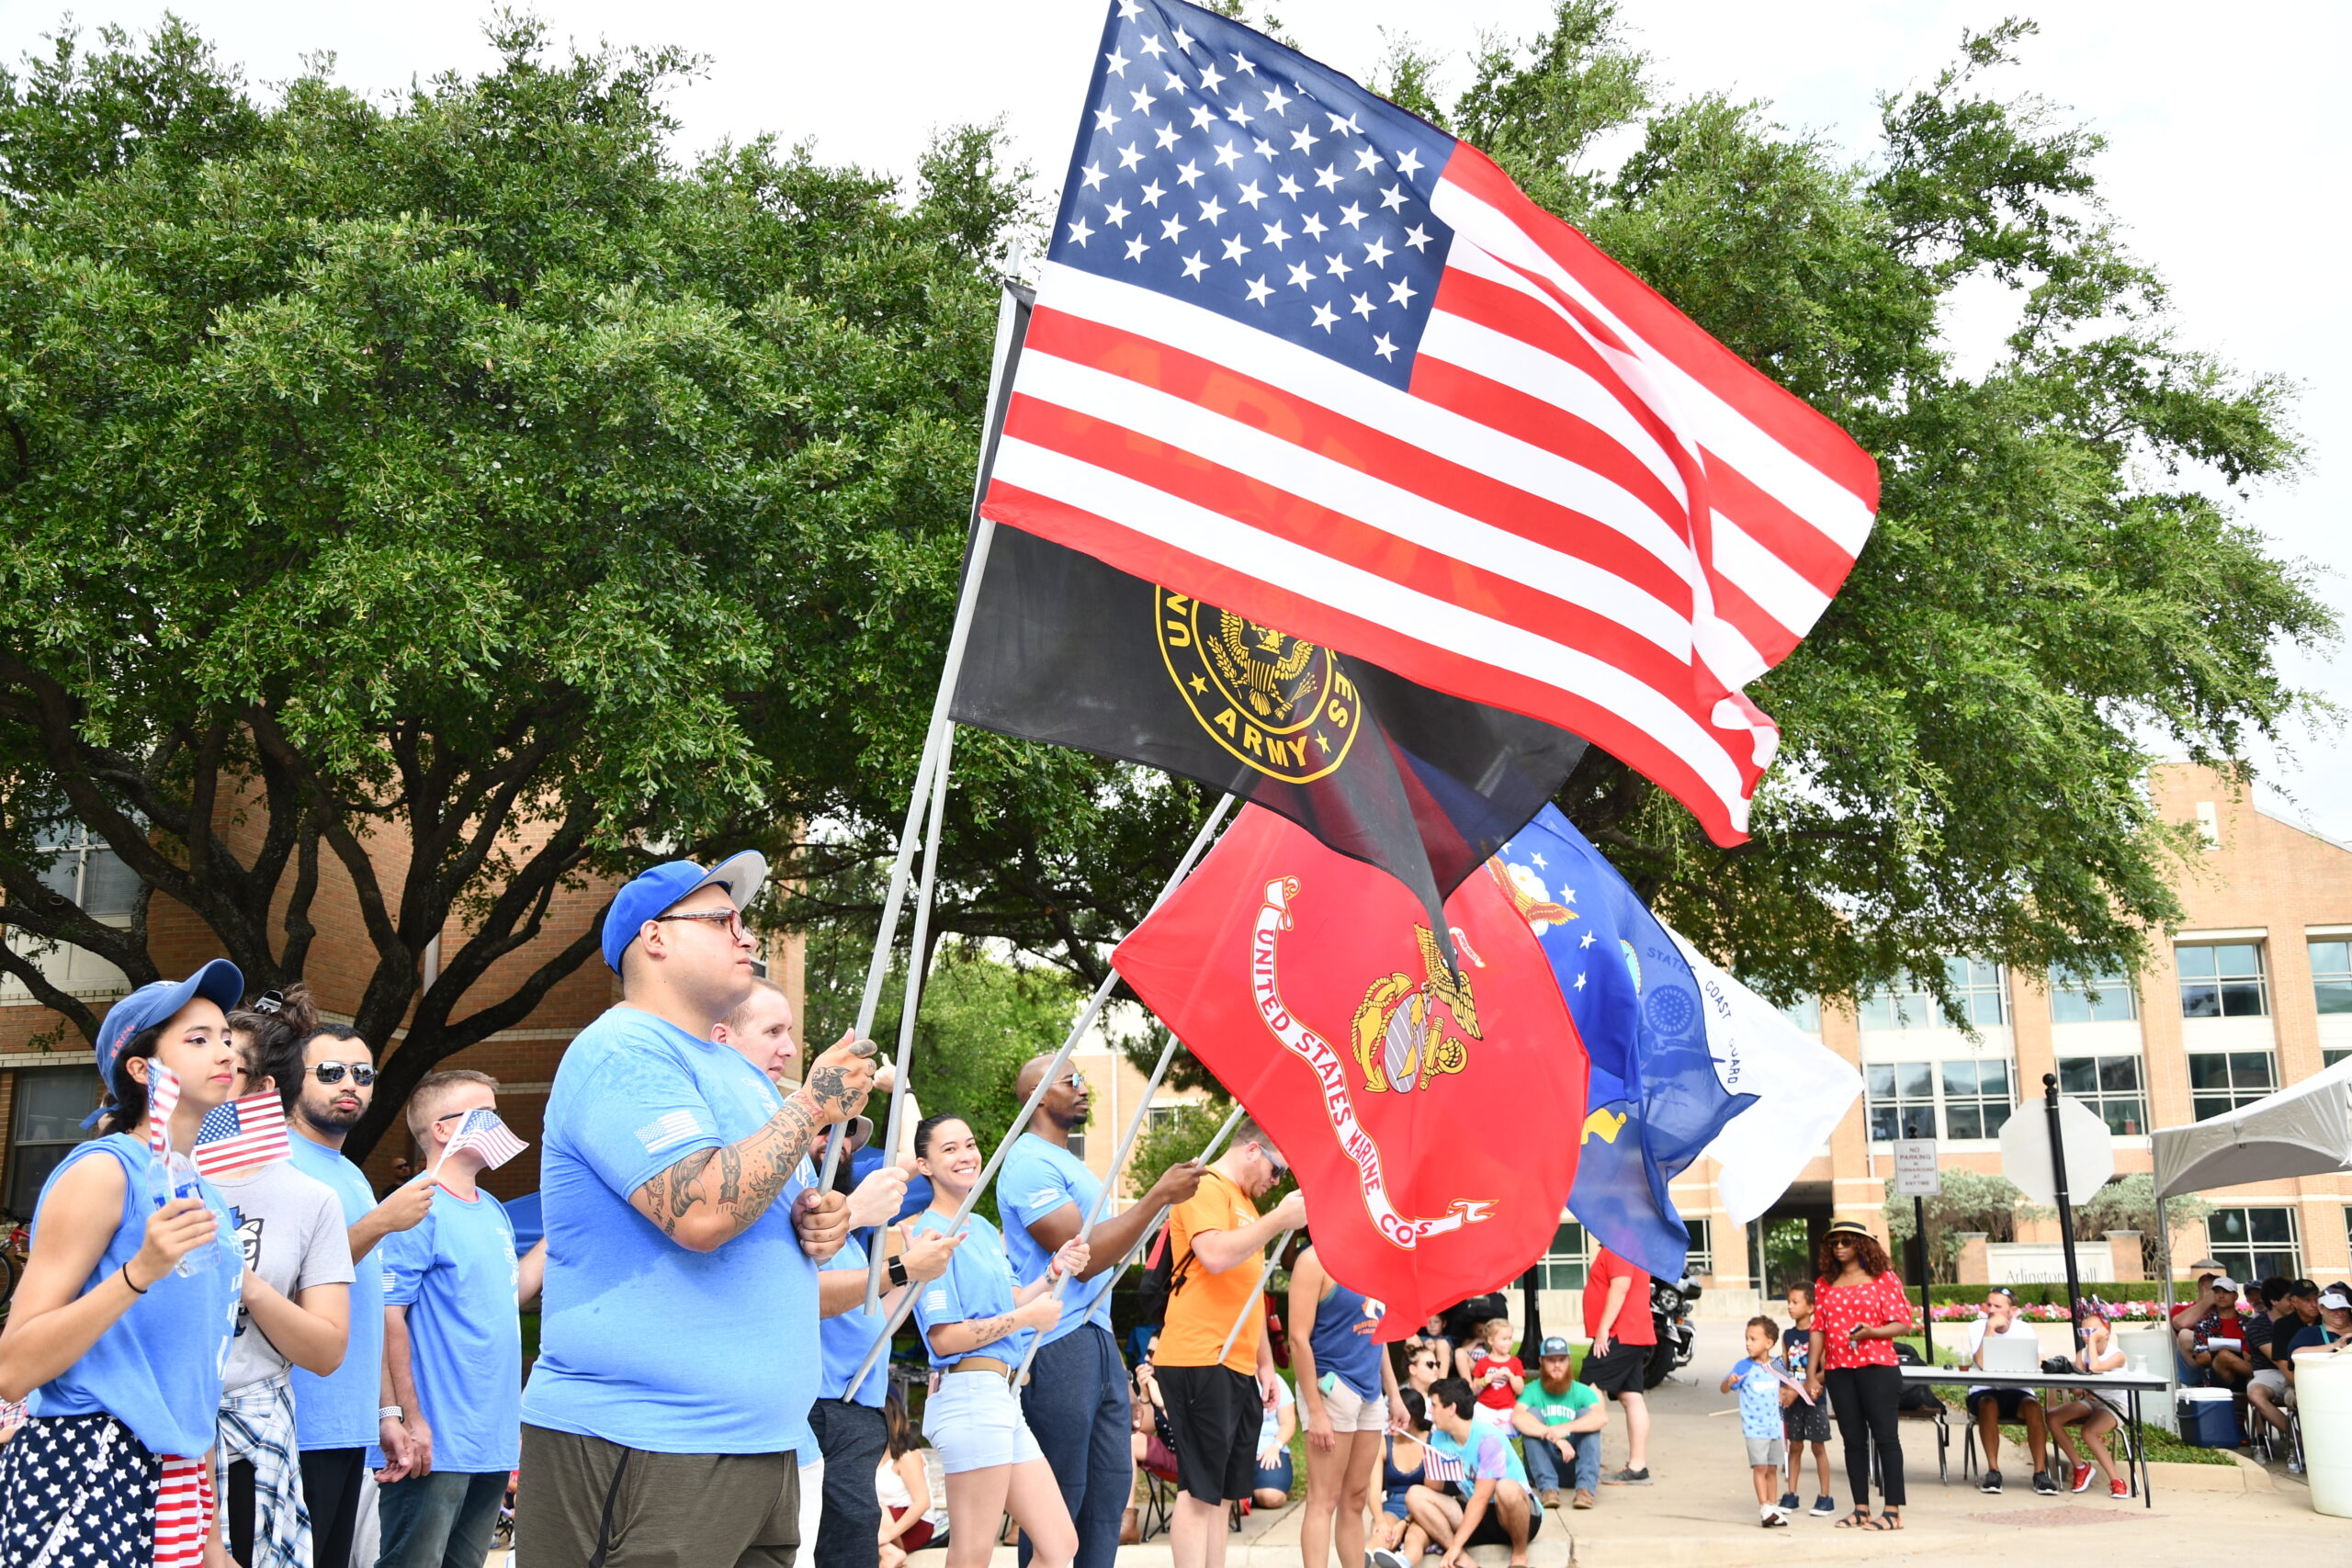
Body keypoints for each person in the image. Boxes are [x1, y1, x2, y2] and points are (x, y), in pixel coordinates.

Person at [521, 853, 872, 1567]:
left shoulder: (737, 1071)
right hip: (646, 1447)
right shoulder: (621, 1051)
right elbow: (704, 1210)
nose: (747, 937)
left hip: (761, 1448)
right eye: (722, 920)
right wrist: (809, 1104)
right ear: (654, 938)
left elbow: (765, 1204)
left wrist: (816, 1217)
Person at [0, 960, 247, 1567]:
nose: (224, 1049)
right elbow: (13, 1367)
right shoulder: (102, 1171)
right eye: (196, 1038)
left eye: (225, 1036)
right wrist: (138, 1272)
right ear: (141, 1068)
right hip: (85, 1464)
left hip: (176, 1481)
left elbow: (193, 1369)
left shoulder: (207, 1194)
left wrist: (210, 1536)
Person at [1000, 1055, 1204, 1568]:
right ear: (1038, 1096)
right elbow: (1081, 1260)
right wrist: (1157, 1196)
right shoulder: (1027, 1163)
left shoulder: (1067, 1161)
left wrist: (1115, 1365)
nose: (1083, 1087)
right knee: (1060, 1502)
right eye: (1072, 1081)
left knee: (1107, 1497)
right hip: (1053, 1342)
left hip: (1093, 1337)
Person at [279, 1014, 435, 1568]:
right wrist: (382, 1222)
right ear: (292, 1079)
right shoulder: (278, 1165)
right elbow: (286, 1284)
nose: (350, 1084)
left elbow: (362, 1311)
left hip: (347, 1424)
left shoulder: (349, 1173)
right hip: (294, 1423)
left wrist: (384, 1413)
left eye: (363, 1073)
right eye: (330, 1071)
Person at [379, 1069, 548, 1568]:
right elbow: (389, 1318)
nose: (499, 1124)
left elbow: (508, 1294)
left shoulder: (492, 1207)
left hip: (491, 1441)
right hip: (435, 1443)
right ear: (444, 1129)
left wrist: (559, 1229)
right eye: (486, 1114)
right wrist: (409, 1419)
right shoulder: (415, 1207)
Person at [906, 1112, 1087, 1568]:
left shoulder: (983, 1229)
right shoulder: (927, 1237)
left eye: (969, 1144)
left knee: (1060, 1544)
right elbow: (946, 1338)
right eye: (949, 1149)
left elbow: (1013, 1304)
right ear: (924, 1165)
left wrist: (1053, 1271)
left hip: (1002, 1398)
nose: (966, 1156)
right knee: (972, 1553)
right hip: (968, 1397)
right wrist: (1027, 1315)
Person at [214, 989, 356, 1568]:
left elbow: (326, 1349)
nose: (205, 1070)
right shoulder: (139, 1171)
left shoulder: (309, 1197)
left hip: (248, 1443)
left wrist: (241, 1280)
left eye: (227, 1063)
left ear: (263, 1089)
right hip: (145, 1435)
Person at [1155, 1119, 1307, 1568]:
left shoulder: (1246, 1205)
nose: (1276, 1183)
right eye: (1277, 1171)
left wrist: (1265, 1365)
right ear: (1253, 1149)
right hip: (1200, 1355)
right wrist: (1280, 1220)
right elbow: (1215, 1255)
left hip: (1236, 1363)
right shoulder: (1205, 1186)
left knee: (1222, 1495)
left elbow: (1250, 1293)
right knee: (1200, 1491)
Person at [808, 1146, 959, 1568]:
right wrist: (904, 1268)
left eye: (849, 1133)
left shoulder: (853, 1243)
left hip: (860, 1408)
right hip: (824, 1404)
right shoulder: (800, 1225)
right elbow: (809, 1297)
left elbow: (878, 1321)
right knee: (837, 1544)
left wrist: (918, 1277)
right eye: (825, 1129)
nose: (841, 1141)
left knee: (853, 1538)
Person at [1287, 1240, 1403, 1568]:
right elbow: (1297, 1338)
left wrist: (1393, 1394)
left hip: (1369, 1394)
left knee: (1355, 1498)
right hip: (1332, 1389)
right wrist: (1316, 1410)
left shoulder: (1376, 1259)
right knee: (1324, 1500)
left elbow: (1377, 1336)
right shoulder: (1313, 1261)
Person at [1804, 1218, 1917, 1531]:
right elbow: (1818, 1331)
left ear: (1861, 1245)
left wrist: (1871, 1332)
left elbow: (1903, 1323)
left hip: (1878, 1367)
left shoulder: (1883, 1279)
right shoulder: (1824, 1284)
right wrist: (1812, 1374)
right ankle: (1860, 1508)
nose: (1839, 1247)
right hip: (1840, 1371)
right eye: (1834, 1242)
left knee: (1885, 1438)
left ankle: (1892, 1511)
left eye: (1846, 1241)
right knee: (1852, 1440)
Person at [1409, 1378, 1542, 1568]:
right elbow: (1434, 1490)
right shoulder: (1439, 1436)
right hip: (1479, 1517)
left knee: (1506, 1488)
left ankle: (1519, 1555)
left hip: (1518, 1516)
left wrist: (1457, 1542)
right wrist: (1431, 1462)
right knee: (1415, 1494)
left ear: (1451, 1408)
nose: (1430, 1411)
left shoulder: (1488, 1438)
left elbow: (1481, 1497)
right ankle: (1462, 1557)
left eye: (1435, 1405)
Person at [1965, 1287, 2056, 1495]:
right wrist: (1990, 1329)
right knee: (1988, 1404)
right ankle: (1993, 1471)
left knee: (2033, 1406)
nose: (1991, 1310)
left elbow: (2039, 1359)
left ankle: (2040, 1473)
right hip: (1984, 1391)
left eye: (1998, 1306)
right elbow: (1980, 1362)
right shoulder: (1977, 1327)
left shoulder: (2024, 1329)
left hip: (2017, 1390)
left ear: (2012, 1310)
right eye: (1989, 1305)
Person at [1578, 1245, 1654, 1484]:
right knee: (1631, 1395)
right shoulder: (1626, 1244)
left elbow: (1621, 1286)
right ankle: (1637, 1467)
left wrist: (1603, 1329)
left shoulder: (1619, 1244)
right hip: (1631, 1333)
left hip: (1619, 1333)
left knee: (1589, 1385)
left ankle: (1586, 1462)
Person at [1510, 1336, 1605, 1510]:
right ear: (1541, 1361)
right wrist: (1555, 1437)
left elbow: (1601, 1418)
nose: (1557, 1366)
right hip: (1541, 1467)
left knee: (1588, 1415)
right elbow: (1517, 1418)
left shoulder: (1581, 1390)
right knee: (1531, 1415)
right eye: (1551, 1360)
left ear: (1569, 1361)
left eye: (1562, 1360)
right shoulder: (1531, 1390)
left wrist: (1566, 1428)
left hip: (1573, 1466)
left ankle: (1585, 1490)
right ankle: (1548, 1490)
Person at [2046, 1314, 2129, 1497]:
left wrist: (2091, 1342)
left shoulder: (2117, 1355)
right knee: (2053, 1418)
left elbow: (2096, 1367)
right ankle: (2081, 1467)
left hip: (2114, 1405)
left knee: (2088, 1432)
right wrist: (2071, 1373)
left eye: (2092, 1331)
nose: (2086, 1335)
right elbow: (2078, 1391)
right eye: (2083, 1331)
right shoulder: (2082, 1354)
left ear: (2105, 1333)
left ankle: (2116, 1481)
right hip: (2091, 1400)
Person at [1722, 1316, 1791, 1528]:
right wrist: (1729, 1382)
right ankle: (1764, 1507)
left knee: (1772, 1468)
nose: (1748, 1343)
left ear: (1769, 1343)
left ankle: (1773, 1505)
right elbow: (1724, 1388)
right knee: (1759, 1467)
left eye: (1753, 1339)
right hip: (1754, 1428)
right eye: (1747, 1338)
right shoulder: (1743, 1367)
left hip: (1774, 1427)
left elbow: (1787, 1386)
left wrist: (1786, 1393)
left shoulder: (1777, 1365)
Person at [1777, 1283, 1834, 1517]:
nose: (1790, 1306)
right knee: (1795, 1446)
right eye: (1788, 1302)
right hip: (1793, 1400)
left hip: (1813, 1399)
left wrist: (1802, 1386)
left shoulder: (1818, 1335)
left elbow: (1825, 1369)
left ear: (1811, 1307)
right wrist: (1784, 1388)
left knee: (1818, 1446)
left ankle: (1825, 1497)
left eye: (1795, 1302)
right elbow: (1785, 1366)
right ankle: (1791, 1494)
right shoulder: (1788, 1335)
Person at [1365, 1388, 1434, 1568]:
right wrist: (1380, 1520)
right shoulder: (1383, 1442)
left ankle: (1403, 1562)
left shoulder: (1431, 1441)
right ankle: (1363, 1556)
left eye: (1398, 1417)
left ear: (1414, 1418)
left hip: (1423, 1509)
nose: (1390, 1422)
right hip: (1393, 1506)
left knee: (1415, 1537)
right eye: (1390, 1415)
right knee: (1383, 1534)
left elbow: (1435, 1491)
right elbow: (1373, 1493)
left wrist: (1405, 1523)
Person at [876, 1393, 935, 1568]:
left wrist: (888, 1534)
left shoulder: (906, 1455)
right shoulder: (872, 1452)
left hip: (912, 1525)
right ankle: (888, 1551)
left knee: (874, 1509)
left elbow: (922, 1503)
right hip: (882, 1521)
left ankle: (890, 1553)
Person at [2170, 1260, 2250, 1387]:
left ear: (2235, 1296)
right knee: (2187, 1335)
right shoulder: (2188, 1313)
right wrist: (2206, 1301)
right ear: (2205, 1289)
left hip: (2235, 1368)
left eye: (2225, 1292)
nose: (2221, 1296)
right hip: (2198, 1366)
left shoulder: (2245, 1321)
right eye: (2216, 1291)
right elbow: (2181, 1324)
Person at [1250, 1373, 1296, 1511]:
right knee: (1233, 1504)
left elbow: (1288, 1422)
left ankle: (1254, 1492)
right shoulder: (1227, 1376)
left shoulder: (1274, 1380)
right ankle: (1246, 1496)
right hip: (1236, 1453)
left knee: (1272, 1497)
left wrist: (1276, 1446)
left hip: (1268, 1450)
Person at [1467, 1318, 1523, 1418]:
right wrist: (1484, 1381)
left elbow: (1520, 1390)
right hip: (1484, 1408)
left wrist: (1510, 1376)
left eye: (1510, 1338)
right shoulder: (1483, 1363)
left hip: (1507, 1409)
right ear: (1491, 1340)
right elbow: (1474, 1390)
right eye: (1504, 1339)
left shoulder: (1515, 1362)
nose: (1508, 1343)